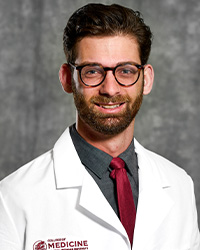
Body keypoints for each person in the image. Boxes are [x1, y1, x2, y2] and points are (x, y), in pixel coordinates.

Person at [0, 3, 199, 250]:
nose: (110, 89)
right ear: (67, 79)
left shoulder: (179, 184)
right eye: (92, 71)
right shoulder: (12, 198)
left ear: (145, 79)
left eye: (126, 71)